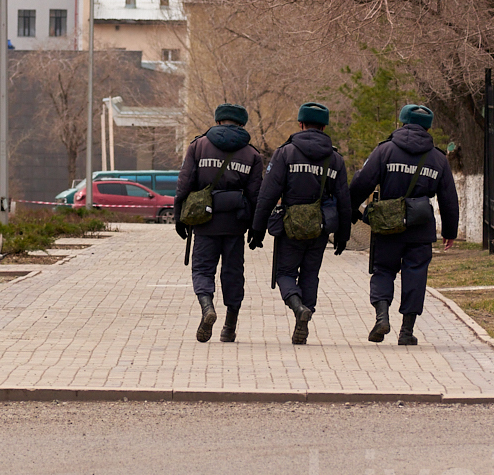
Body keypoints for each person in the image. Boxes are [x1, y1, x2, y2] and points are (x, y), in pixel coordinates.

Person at [348, 104, 459, 345]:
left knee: (383, 270)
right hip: (420, 228)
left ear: (401, 122)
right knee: (415, 276)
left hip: (388, 226)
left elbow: (362, 181)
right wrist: (450, 231)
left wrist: (349, 210)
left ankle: (381, 317)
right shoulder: (438, 158)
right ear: (428, 127)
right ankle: (407, 332)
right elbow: (449, 197)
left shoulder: (385, 151)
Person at [249, 102, 351, 345]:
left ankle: (296, 307)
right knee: (310, 274)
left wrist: (257, 229)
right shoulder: (335, 159)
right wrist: (343, 235)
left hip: (290, 227)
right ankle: (305, 315)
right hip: (319, 228)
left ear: (300, 124)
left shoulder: (285, 153)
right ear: (324, 126)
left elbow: (267, 195)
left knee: (284, 273)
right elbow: (344, 200)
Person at [174, 103, 264, 343]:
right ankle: (229, 328)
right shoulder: (252, 154)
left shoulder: (198, 146)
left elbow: (185, 182)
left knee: (203, 269)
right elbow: (257, 195)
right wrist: (257, 228)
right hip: (236, 224)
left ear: (217, 121)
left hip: (204, 221)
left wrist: (179, 215)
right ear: (242, 124)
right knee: (233, 273)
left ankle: (207, 308)